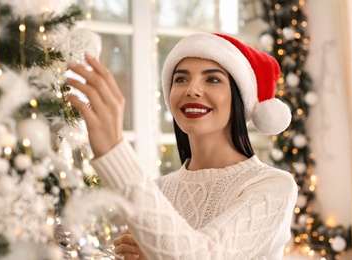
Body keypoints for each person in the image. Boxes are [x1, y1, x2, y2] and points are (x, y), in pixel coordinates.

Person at [66, 32, 298, 260]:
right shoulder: (157, 191)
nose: (192, 90)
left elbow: (203, 255)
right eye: (181, 79)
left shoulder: (273, 186)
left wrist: (114, 149)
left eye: (213, 79)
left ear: (240, 97)